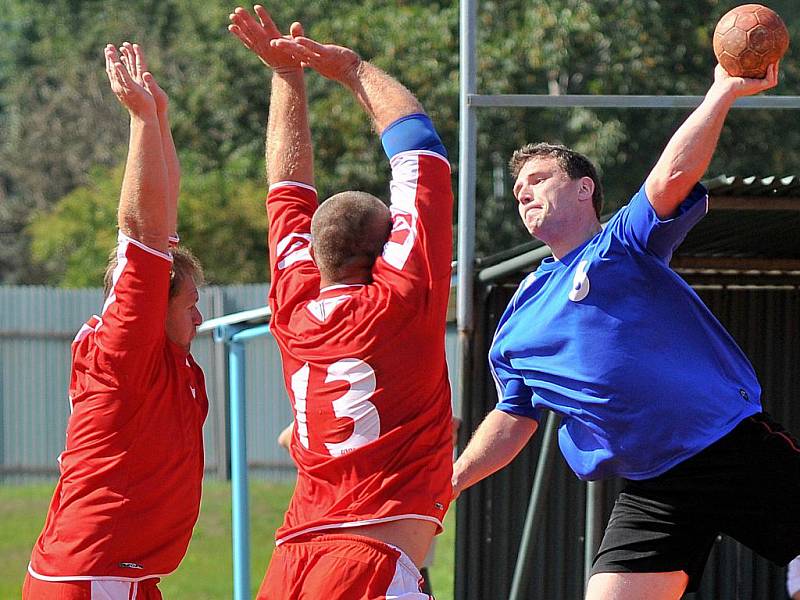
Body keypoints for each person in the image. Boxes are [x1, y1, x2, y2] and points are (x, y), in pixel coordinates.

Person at [452, 59, 800, 600]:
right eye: (518, 188)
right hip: (654, 486)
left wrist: (722, 92)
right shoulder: (517, 318)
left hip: (731, 447)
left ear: (584, 188)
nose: (523, 192)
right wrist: (449, 483)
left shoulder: (619, 246)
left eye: (538, 179)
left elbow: (671, 178)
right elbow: (513, 417)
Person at [228, 5, 453, 598]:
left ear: (317, 254)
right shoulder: (401, 300)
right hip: (366, 562)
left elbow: (286, 191)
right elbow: (421, 152)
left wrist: (285, 75)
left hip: (294, 559)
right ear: (384, 254)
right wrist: (352, 70)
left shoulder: (293, 309)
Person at [24, 43, 208, 600]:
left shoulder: (158, 357)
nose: (199, 316)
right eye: (190, 303)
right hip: (91, 577)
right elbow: (143, 230)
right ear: (150, 306)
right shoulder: (125, 347)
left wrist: (161, 121)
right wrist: (139, 120)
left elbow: (164, 228)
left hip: (120, 575)